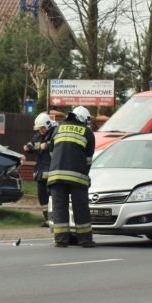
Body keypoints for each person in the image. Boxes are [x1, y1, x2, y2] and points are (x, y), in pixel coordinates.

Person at [47, 105, 96, 248]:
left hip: (55, 175)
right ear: (83, 119)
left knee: (59, 208)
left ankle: (61, 240)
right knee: (80, 208)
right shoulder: (87, 133)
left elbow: (52, 153)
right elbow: (88, 160)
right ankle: (85, 240)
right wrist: (86, 177)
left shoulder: (58, 129)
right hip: (77, 177)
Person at [23, 112, 56, 227]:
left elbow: (53, 145)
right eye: (39, 128)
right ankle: (47, 218)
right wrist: (27, 147)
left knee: (53, 197)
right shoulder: (38, 136)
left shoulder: (54, 133)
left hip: (51, 171)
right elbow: (32, 144)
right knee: (42, 197)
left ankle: (54, 218)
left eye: (42, 128)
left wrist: (44, 145)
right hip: (40, 172)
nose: (40, 130)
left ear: (47, 125)